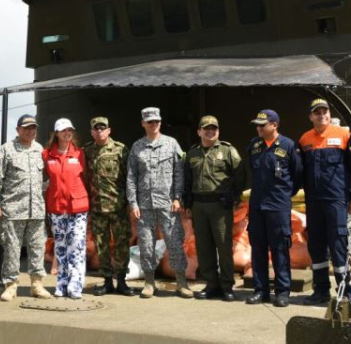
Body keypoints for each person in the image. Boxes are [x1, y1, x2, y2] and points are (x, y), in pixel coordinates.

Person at [299, 99, 351, 305]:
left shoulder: (344, 136)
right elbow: (299, 171)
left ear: (329, 114)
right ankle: (321, 291)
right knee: (316, 245)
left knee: (338, 245)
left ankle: (345, 292)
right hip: (314, 200)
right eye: (316, 113)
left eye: (324, 112)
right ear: (311, 117)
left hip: (336, 199)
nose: (321, 115)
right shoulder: (304, 140)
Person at [126, 107, 192, 299]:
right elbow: (131, 177)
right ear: (143, 124)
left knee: (174, 242)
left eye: (157, 121)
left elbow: (179, 173)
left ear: (160, 123)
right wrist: (133, 203)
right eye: (150, 122)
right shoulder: (137, 147)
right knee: (146, 244)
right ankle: (149, 282)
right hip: (144, 205)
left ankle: (181, 282)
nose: (154, 125)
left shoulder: (171, 144)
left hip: (168, 204)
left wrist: (178, 197)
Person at [0, 114, 50, 301]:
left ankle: (37, 285)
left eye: (33, 128)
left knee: (37, 248)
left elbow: (41, 180)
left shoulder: (39, 149)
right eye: (26, 128)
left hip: (36, 209)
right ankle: (11, 285)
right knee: (12, 249)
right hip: (13, 210)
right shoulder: (6, 150)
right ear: (18, 130)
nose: (31, 131)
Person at [184, 115, 245, 302]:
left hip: (220, 205)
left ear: (218, 131)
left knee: (223, 246)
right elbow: (187, 180)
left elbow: (241, 175)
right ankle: (211, 284)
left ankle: (227, 286)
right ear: (199, 131)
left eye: (214, 128)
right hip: (199, 205)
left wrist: (234, 197)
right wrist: (188, 204)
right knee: (203, 247)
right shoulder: (192, 153)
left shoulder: (228, 150)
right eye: (206, 128)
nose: (210, 131)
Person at [246, 109, 302, 308]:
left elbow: (297, 176)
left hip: (278, 206)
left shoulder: (288, 146)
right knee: (258, 248)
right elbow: (252, 171)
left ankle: (282, 291)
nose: (259, 128)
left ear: (275, 125)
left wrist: (284, 194)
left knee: (279, 249)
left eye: (263, 125)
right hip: (257, 205)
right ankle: (260, 290)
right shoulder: (254, 145)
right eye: (257, 125)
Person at [83, 116, 134, 296]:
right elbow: (84, 177)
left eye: (102, 128)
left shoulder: (121, 150)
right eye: (96, 128)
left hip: (118, 206)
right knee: (101, 245)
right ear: (91, 132)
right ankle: (106, 282)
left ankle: (121, 281)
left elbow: (130, 178)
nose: (99, 131)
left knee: (121, 245)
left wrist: (130, 202)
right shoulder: (87, 151)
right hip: (97, 208)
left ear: (109, 130)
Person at [43, 118, 90, 299]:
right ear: (56, 133)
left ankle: (75, 285)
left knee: (77, 245)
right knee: (61, 247)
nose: (67, 133)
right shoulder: (47, 155)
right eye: (63, 130)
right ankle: (62, 284)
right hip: (57, 207)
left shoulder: (79, 154)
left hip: (77, 207)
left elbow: (85, 177)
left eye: (69, 130)